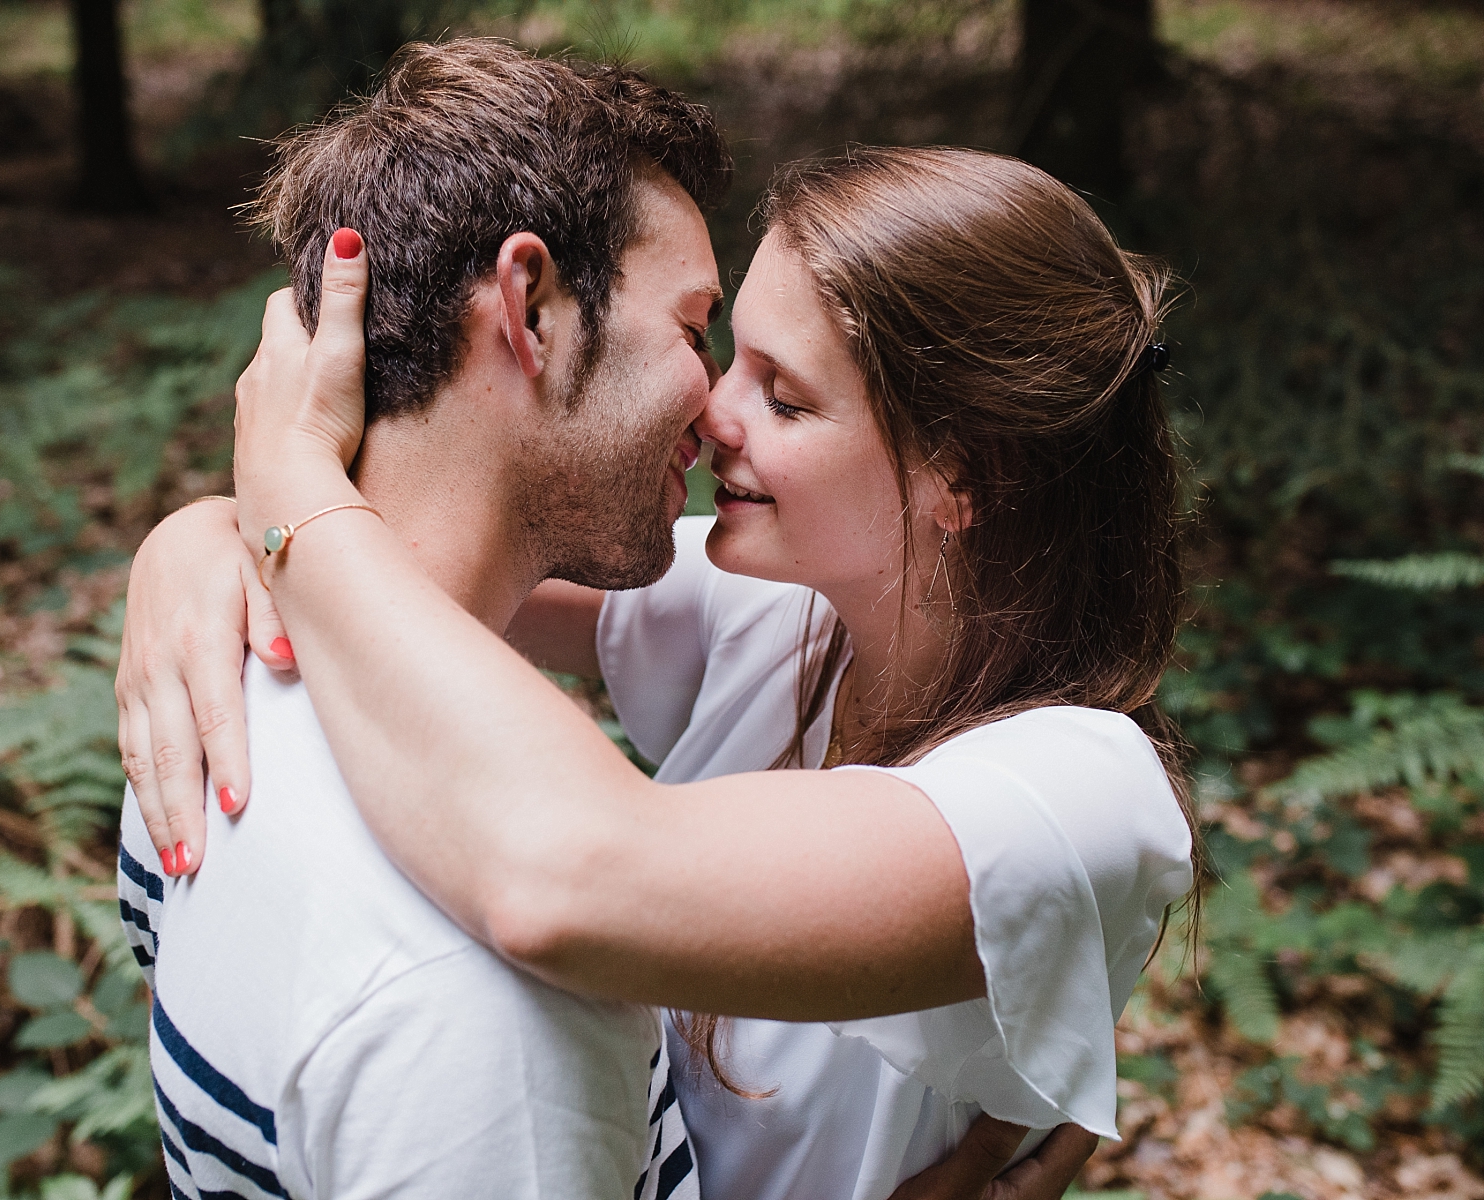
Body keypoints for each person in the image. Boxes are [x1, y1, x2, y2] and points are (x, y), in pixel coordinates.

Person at [127, 117, 1179, 1200]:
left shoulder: (1077, 800)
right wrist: (199, 537)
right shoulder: (779, 611)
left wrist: (287, 481)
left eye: (785, 395)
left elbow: (564, 874)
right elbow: (422, 551)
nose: (713, 407)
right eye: (727, 352)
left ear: (963, 477)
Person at [114, 40, 734, 1199]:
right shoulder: (490, 1010)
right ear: (532, 303)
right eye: (695, 328)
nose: (724, 401)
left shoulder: (206, 705)